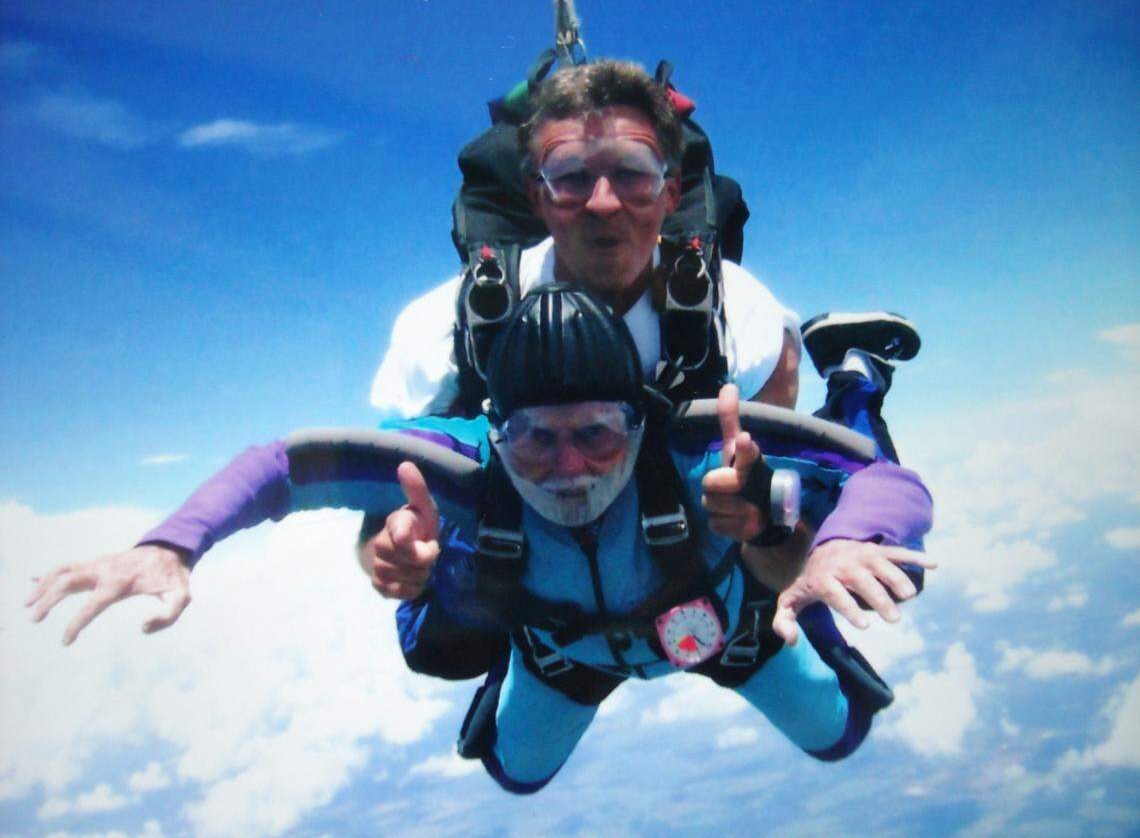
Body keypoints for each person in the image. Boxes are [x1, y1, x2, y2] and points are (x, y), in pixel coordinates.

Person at [28, 284, 932, 795]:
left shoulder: (699, 444)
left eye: (599, 435)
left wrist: (847, 537)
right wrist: (172, 544)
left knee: (841, 734)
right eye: (534, 438)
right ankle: (478, 613)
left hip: (724, 630)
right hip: (561, 653)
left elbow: (875, 476)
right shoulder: (459, 465)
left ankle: (852, 375)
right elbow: (284, 465)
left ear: (640, 420)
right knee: (514, 772)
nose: (568, 466)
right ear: (493, 428)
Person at [363, 59, 929, 648]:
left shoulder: (738, 318)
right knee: (438, 649)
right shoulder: (445, 329)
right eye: (571, 175)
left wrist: (769, 528)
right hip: (548, 544)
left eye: (632, 174)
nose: (603, 203)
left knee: (871, 574)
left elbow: (782, 531)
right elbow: (381, 508)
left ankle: (853, 374)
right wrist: (389, 552)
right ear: (536, 195)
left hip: (689, 520)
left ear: (670, 191)